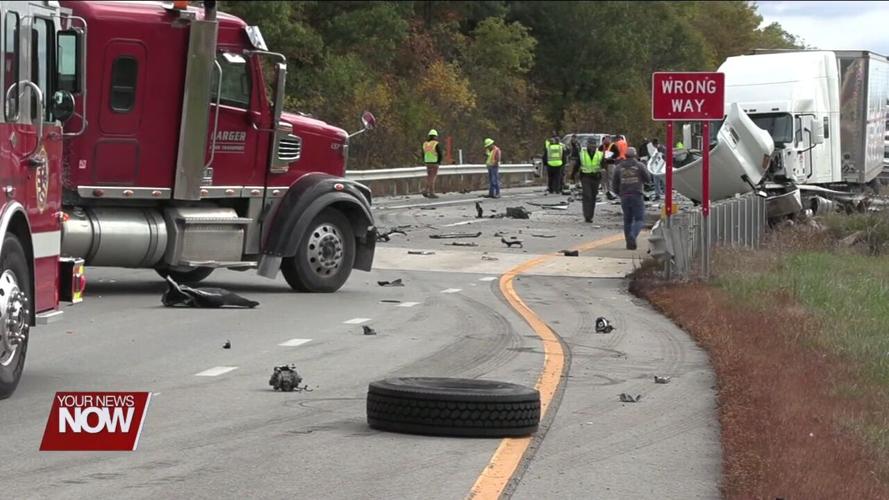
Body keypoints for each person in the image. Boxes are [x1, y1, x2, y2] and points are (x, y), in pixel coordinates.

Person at [612, 147, 651, 250]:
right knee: (639, 219)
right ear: (635, 155)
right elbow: (648, 179)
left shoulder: (619, 167)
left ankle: (629, 244)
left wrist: (619, 193)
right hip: (636, 194)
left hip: (624, 196)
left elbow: (614, 184)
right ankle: (632, 235)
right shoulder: (640, 166)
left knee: (627, 220)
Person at [579, 137, 605, 223]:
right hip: (585, 177)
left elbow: (603, 165)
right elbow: (577, 164)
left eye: (594, 145)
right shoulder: (582, 154)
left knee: (593, 197)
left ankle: (590, 216)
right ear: (587, 145)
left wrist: (603, 172)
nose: (592, 146)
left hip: (595, 177)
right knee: (587, 195)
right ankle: (587, 215)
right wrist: (572, 176)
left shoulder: (599, 154)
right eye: (590, 144)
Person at [421, 129, 444, 198]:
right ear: (435, 136)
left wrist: (424, 161)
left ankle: (426, 190)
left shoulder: (425, 144)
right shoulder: (435, 143)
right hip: (434, 163)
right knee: (432, 178)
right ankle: (431, 192)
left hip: (427, 162)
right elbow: (440, 154)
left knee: (429, 177)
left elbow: (423, 153)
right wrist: (439, 161)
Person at [599, 136, 621, 200]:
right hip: (603, 164)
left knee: (610, 178)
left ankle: (611, 191)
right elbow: (598, 154)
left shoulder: (613, 146)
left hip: (611, 163)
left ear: (610, 140)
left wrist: (611, 157)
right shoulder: (601, 147)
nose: (606, 141)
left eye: (607, 140)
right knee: (603, 178)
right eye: (605, 140)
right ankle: (604, 191)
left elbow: (618, 153)